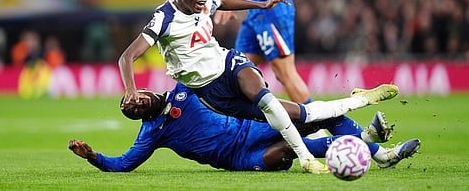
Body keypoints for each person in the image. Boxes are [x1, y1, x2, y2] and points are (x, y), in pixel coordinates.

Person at [118, 0, 399, 173]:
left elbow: (223, 0)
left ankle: (306, 159)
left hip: (230, 64)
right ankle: (359, 100)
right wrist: (130, 91)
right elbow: (127, 57)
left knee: (265, 99)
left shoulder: (205, 3)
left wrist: (262, 5)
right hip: (211, 92)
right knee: (303, 114)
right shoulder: (164, 17)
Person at [68, 83, 421, 172]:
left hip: (249, 128)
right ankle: (371, 145)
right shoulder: (152, 133)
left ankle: (374, 147)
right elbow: (125, 163)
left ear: (141, 90)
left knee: (313, 117)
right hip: (236, 158)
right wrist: (94, 157)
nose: (136, 104)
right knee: (286, 149)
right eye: (131, 110)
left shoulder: (182, 87)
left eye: (134, 99)